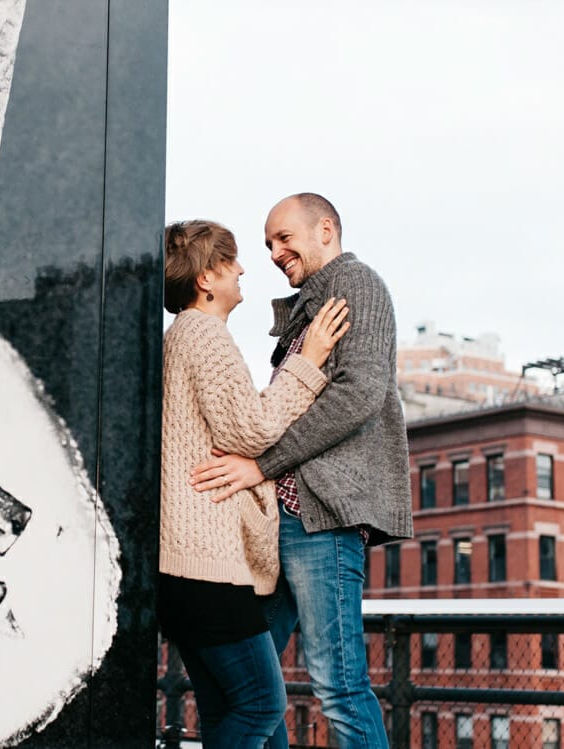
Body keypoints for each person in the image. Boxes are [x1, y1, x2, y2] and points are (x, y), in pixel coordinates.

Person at [190, 194, 413, 749]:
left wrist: (261, 464)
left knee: (338, 686)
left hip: (322, 521)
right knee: (254, 687)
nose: (273, 252)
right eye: (268, 243)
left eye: (285, 238)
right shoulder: (308, 306)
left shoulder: (354, 284)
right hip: (283, 520)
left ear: (326, 230)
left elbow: (359, 393)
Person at [159, 219, 349, 748]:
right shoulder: (203, 334)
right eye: (231, 261)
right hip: (206, 567)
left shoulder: (181, 338)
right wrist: (309, 362)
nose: (244, 269)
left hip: (185, 569)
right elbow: (254, 429)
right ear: (206, 278)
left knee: (225, 713)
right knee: (262, 702)